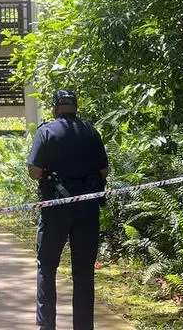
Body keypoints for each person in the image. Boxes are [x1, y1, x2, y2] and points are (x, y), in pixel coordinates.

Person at [27, 89, 109, 330]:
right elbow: (104, 171)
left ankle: (47, 325)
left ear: (55, 107)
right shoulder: (91, 132)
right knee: (83, 273)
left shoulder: (46, 132)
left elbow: (34, 171)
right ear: (76, 106)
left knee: (47, 265)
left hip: (55, 210)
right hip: (87, 210)